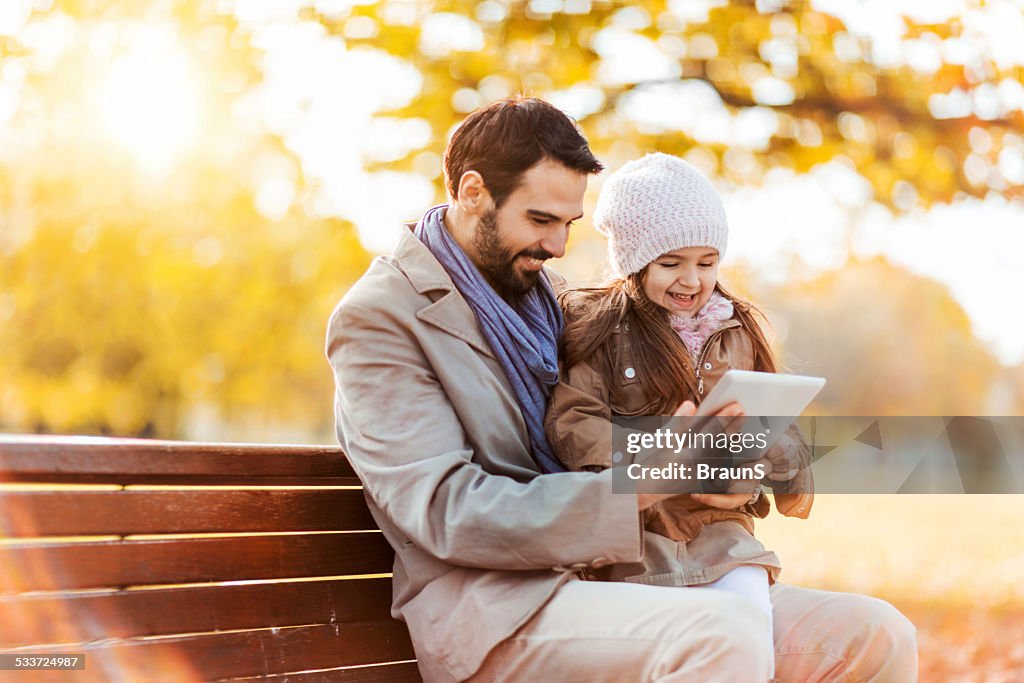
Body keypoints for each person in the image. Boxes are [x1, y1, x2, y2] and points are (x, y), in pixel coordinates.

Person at [326, 96, 918, 682]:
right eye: (540, 220)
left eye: (568, 224)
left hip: (614, 575)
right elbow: (447, 513)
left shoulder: (546, 294)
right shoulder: (382, 317)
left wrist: (721, 463)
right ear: (473, 191)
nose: (558, 247)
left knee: (875, 635)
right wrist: (642, 477)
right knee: (718, 634)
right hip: (498, 607)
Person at [544, 152, 816, 680]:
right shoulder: (600, 329)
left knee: (746, 631)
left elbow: (783, 434)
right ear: (634, 260)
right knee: (682, 647)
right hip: (640, 542)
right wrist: (660, 454)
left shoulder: (740, 330)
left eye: (707, 262)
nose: (692, 280)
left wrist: (763, 460)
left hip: (723, 536)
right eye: (671, 263)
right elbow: (573, 425)